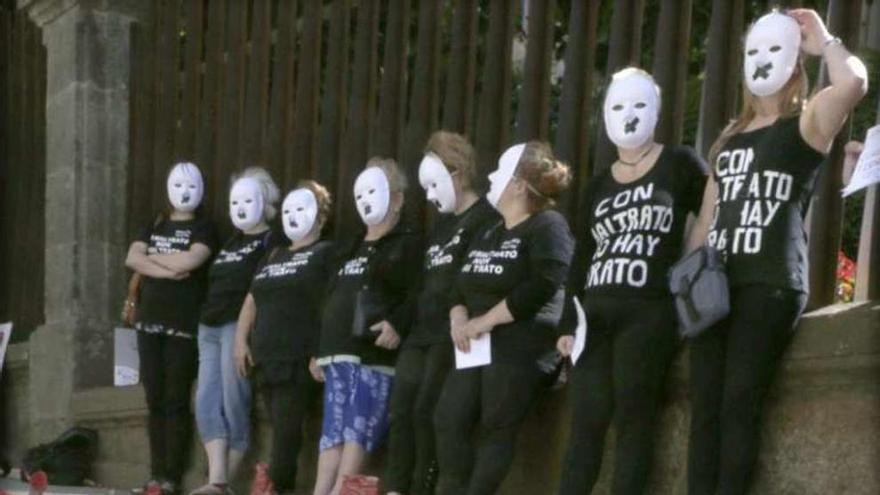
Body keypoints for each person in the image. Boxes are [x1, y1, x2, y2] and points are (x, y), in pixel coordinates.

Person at [685, 9, 868, 494]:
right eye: (753, 51)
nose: (762, 61)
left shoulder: (806, 121)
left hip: (769, 283)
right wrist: (687, 282)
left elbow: (853, 84)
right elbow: (706, 218)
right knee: (704, 407)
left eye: (773, 49)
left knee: (738, 401)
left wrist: (824, 40)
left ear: (793, 60)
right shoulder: (728, 137)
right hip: (713, 288)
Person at [555, 68, 707, 495]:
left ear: (656, 110)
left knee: (634, 416)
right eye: (618, 106)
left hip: (650, 312)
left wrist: (694, 261)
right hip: (594, 317)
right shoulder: (598, 184)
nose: (629, 115)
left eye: (640, 104)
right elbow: (582, 255)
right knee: (585, 419)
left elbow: (713, 213)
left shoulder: (679, 164)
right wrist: (568, 322)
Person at [433, 141, 575, 495]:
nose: (491, 177)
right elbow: (458, 286)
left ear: (518, 184)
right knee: (449, 417)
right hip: (474, 341)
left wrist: (486, 321)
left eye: (500, 171)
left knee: (497, 421)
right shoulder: (488, 230)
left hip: (521, 340)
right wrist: (459, 320)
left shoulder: (548, 225)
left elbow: (543, 283)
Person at [385, 131, 499, 495]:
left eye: (434, 184)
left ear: (459, 172)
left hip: (453, 332)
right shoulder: (439, 227)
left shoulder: (486, 218)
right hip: (421, 331)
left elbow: (474, 277)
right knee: (401, 409)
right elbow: (424, 281)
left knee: (426, 412)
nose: (430, 196)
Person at [311, 158, 422, 495]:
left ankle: (340, 492)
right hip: (336, 352)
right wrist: (318, 350)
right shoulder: (350, 245)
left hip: (370, 353)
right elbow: (330, 296)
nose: (366, 201)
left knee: (357, 428)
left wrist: (398, 324)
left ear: (398, 198)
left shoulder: (409, 243)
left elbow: (419, 291)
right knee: (332, 429)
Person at [234, 180, 337, 493]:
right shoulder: (274, 255)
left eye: (302, 209)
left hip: (298, 358)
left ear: (320, 216)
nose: (293, 216)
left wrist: (321, 350)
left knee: (286, 436)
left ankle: (279, 487)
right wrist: (240, 341)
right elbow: (252, 299)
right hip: (266, 357)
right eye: (288, 210)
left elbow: (331, 302)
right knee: (280, 429)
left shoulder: (326, 253)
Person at [125, 162, 217, 495]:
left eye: (192, 185)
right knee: (154, 399)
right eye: (178, 185)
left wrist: (155, 260)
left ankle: (172, 476)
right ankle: (155, 473)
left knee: (176, 399)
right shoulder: (155, 222)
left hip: (182, 326)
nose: (185, 192)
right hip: (148, 324)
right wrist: (167, 270)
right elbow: (132, 258)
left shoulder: (205, 227)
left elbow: (191, 261)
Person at [191, 168, 280, 495]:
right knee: (205, 399)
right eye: (235, 201)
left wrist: (243, 336)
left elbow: (259, 288)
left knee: (233, 398)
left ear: (264, 201)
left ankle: (220, 482)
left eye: (248, 199)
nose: (241, 207)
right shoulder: (232, 241)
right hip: (210, 325)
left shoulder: (272, 240)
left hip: (236, 325)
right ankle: (217, 479)